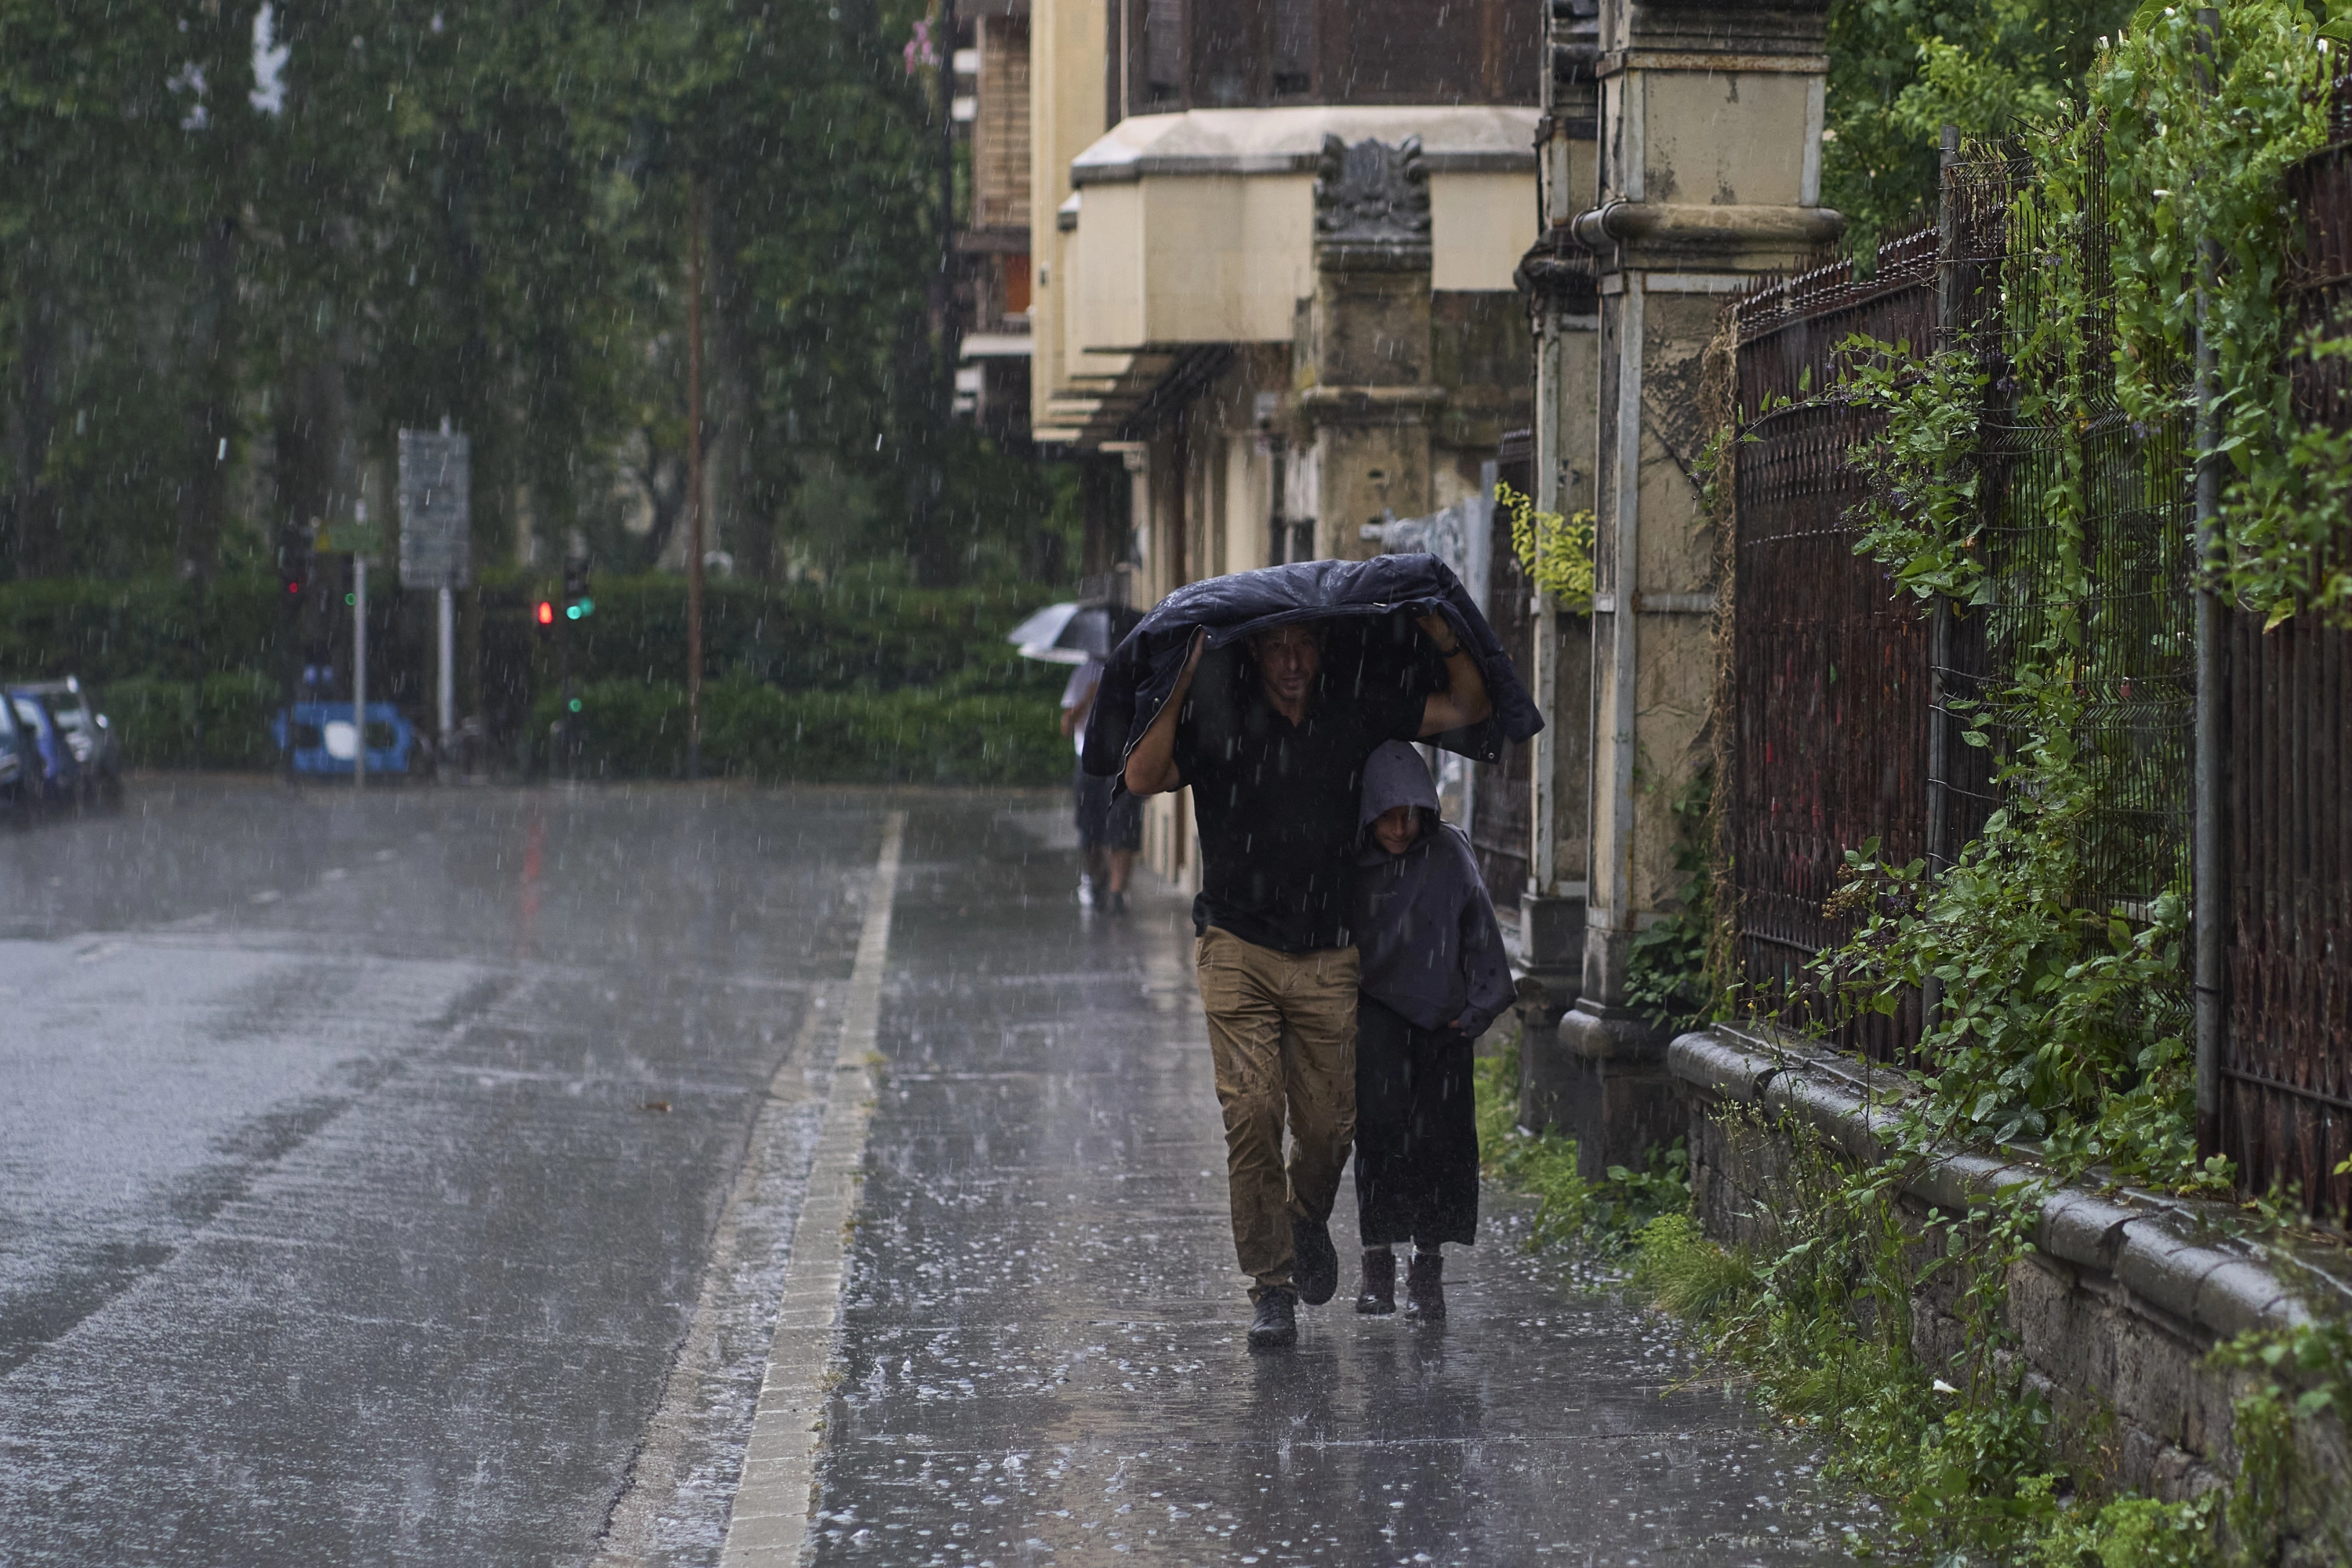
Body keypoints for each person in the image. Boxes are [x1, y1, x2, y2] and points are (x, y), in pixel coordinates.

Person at [1124, 615, 1491, 1349]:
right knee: (1252, 1113)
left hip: (1328, 956)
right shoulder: (1219, 715)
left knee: (1329, 1129)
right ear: (1254, 649)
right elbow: (1141, 777)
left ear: (1321, 648)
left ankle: (1303, 1217)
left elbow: (1467, 708)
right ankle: (1272, 1287)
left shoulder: (1352, 708)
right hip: (1236, 945)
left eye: (1305, 645)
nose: (1292, 661)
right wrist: (1179, 684)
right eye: (1277, 647)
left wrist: (1438, 631)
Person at [1348, 741, 1512, 1321]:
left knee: (1440, 1141)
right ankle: (1377, 1267)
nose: (1398, 828)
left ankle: (1428, 1270)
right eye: (1387, 816)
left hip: (1442, 1022)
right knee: (1379, 1135)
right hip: (1376, 1021)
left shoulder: (1447, 854)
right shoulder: (1353, 860)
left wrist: (1474, 1012)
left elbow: (1480, 930)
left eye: (1409, 815)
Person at [1061, 655, 1138, 913]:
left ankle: (1117, 892)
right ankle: (1097, 879)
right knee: (1089, 827)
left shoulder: (1133, 670)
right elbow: (1066, 726)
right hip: (1090, 760)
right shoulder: (1083, 673)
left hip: (1124, 761)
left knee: (1123, 824)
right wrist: (1088, 698)